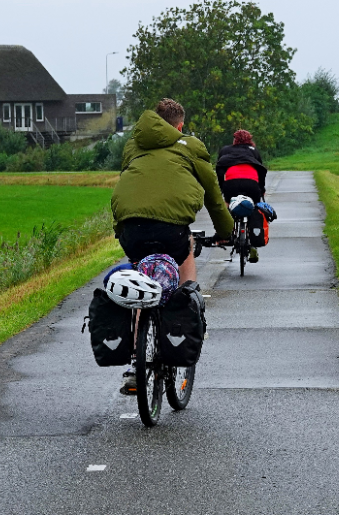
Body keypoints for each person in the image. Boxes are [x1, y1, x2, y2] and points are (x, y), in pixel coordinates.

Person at [110, 98, 234, 393]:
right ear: (180, 125)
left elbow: (134, 185)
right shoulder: (190, 145)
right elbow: (213, 195)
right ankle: (188, 307)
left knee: (144, 280)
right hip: (170, 229)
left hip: (130, 227)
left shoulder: (133, 145)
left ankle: (134, 364)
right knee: (186, 248)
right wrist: (224, 231)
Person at [215, 129, 268, 263]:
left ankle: (226, 234)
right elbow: (260, 171)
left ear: (234, 140)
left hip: (231, 184)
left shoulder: (226, 150)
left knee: (227, 205)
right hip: (252, 184)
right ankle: (253, 243)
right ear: (250, 139)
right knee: (254, 208)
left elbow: (220, 170)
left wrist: (223, 188)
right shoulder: (253, 151)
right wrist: (261, 190)